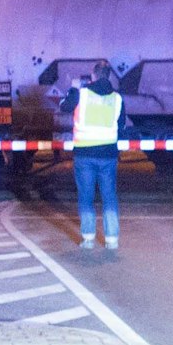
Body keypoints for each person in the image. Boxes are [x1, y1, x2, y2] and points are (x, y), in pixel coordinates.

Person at [59, 61, 124, 250]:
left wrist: (73, 88)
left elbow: (64, 107)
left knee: (86, 196)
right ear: (109, 75)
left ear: (93, 75)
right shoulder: (117, 98)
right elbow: (121, 125)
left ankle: (88, 238)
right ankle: (112, 239)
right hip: (108, 154)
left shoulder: (81, 93)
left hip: (85, 154)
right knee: (109, 196)